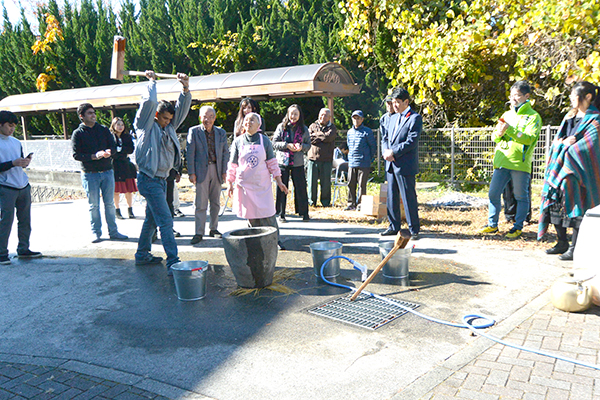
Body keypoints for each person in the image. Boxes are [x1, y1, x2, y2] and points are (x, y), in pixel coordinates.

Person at [133, 70, 191, 272]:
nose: (168, 121)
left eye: (169, 119)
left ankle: (142, 254)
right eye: (165, 118)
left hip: (162, 180)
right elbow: (148, 104)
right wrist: (151, 83)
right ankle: (173, 260)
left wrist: (185, 88)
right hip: (148, 179)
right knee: (165, 220)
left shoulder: (169, 128)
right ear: (157, 115)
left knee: (151, 219)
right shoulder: (145, 127)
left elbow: (181, 111)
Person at [538, 81, 600, 260]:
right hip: (558, 172)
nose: (572, 99)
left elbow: (588, 148)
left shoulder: (595, 120)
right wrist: (561, 146)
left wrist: (566, 149)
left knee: (577, 209)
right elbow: (559, 141)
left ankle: (575, 246)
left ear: (587, 97)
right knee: (556, 208)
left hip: (578, 175)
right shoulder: (569, 117)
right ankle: (561, 242)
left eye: (575, 96)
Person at [479, 80, 541, 239]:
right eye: (512, 95)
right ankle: (492, 225)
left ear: (527, 96)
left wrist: (510, 131)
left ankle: (518, 226)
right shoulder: (506, 115)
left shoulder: (533, 117)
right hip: (502, 161)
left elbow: (529, 139)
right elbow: (495, 137)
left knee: (521, 196)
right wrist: (498, 134)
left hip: (519, 163)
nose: (513, 99)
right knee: (493, 193)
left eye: (518, 96)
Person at [227, 113, 288, 248]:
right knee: (251, 216)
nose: (248, 122)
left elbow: (272, 162)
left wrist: (279, 181)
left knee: (268, 215)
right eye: (246, 120)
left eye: (252, 120)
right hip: (245, 186)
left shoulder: (264, 140)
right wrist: (229, 183)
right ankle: (255, 242)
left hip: (262, 185)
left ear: (259, 125)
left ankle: (274, 241)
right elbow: (233, 164)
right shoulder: (238, 141)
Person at [72, 103, 128, 243]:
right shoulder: (78, 133)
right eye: (89, 113)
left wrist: (110, 152)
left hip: (107, 171)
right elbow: (76, 155)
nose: (93, 115)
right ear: (82, 116)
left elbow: (113, 147)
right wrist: (93, 156)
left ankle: (113, 232)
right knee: (94, 205)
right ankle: (96, 232)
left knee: (109, 203)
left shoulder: (103, 129)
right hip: (90, 174)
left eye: (93, 112)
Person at [0, 111, 42, 265]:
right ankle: (2, 252)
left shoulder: (16, 142)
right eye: (9, 125)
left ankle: (24, 248)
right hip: (5, 186)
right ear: (1, 124)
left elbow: (19, 161)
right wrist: (13, 163)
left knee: (25, 219)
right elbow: (10, 163)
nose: (11, 129)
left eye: (13, 126)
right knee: (6, 220)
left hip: (22, 184)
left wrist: (25, 162)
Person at [380, 88, 422, 239]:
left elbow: (411, 141)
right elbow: (385, 138)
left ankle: (413, 228)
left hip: (405, 164)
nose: (395, 105)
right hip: (390, 163)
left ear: (406, 102)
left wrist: (394, 152)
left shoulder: (415, 118)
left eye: (398, 102)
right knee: (391, 196)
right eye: (393, 102)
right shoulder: (391, 118)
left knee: (408, 196)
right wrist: (385, 151)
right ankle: (393, 225)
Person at [187, 105, 229, 244]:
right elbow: (190, 153)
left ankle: (213, 228)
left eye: (211, 117)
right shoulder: (194, 131)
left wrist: (224, 171)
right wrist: (191, 172)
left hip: (216, 169)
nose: (208, 119)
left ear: (215, 118)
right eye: (205, 116)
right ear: (200, 117)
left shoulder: (221, 132)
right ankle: (199, 232)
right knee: (201, 203)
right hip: (200, 171)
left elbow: (225, 153)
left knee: (216, 202)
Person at [272, 104, 310, 222]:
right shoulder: (281, 127)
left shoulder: (304, 129)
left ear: (299, 115)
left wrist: (301, 147)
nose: (293, 116)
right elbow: (274, 143)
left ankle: (304, 212)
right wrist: (286, 145)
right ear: (288, 114)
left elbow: (308, 145)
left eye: (296, 114)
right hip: (283, 161)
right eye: (291, 113)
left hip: (297, 162)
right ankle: (281, 213)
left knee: (301, 187)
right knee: (282, 187)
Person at [345, 110, 376, 211]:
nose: (356, 120)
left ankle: (361, 204)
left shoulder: (367, 131)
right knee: (350, 183)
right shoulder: (349, 132)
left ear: (362, 119)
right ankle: (351, 203)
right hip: (352, 162)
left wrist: (369, 158)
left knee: (362, 185)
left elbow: (373, 147)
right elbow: (349, 145)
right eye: (354, 118)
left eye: (358, 118)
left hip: (364, 162)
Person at [307, 108, 337, 207]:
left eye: (325, 115)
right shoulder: (312, 126)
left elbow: (328, 138)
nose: (322, 117)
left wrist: (317, 136)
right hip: (313, 158)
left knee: (326, 183)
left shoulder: (332, 128)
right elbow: (309, 138)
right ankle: (312, 202)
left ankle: (325, 202)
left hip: (326, 159)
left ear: (329, 117)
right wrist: (322, 136)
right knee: (312, 182)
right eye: (321, 114)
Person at [109, 117, 138, 219]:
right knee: (116, 190)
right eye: (118, 124)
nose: (120, 127)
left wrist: (121, 150)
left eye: (122, 125)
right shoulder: (110, 136)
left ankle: (130, 210)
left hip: (126, 164)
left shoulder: (127, 136)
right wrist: (119, 151)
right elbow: (112, 151)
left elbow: (130, 149)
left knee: (129, 190)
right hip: (115, 165)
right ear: (113, 125)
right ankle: (117, 210)